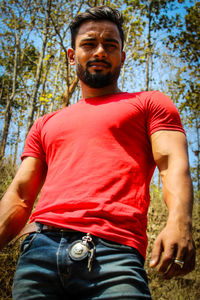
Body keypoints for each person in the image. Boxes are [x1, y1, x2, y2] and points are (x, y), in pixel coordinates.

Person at [0, 5, 195, 300]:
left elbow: (171, 165)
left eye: (110, 45)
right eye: (89, 44)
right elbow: (21, 193)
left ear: (122, 57)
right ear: (71, 55)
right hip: (38, 250)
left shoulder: (150, 103)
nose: (100, 51)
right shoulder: (45, 123)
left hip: (114, 254)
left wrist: (179, 222)